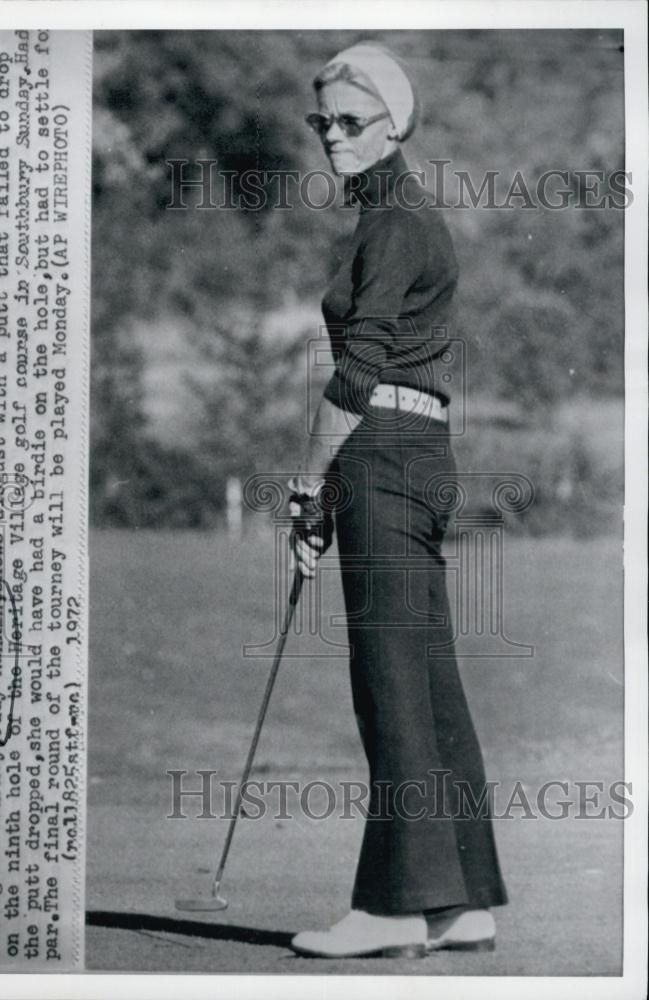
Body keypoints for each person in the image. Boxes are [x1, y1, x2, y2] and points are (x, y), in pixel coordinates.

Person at [288, 41, 508, 960]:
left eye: (351, 121)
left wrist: (308, 485)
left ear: (393, 124)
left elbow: (358, 367)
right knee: (425, 676)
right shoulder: (401, 217)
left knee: (390, 683)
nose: (334, 136)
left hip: (381, 450)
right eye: (323, 122)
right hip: (414, 450)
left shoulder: (393, 225)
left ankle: (393, 906)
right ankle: (461, 902)